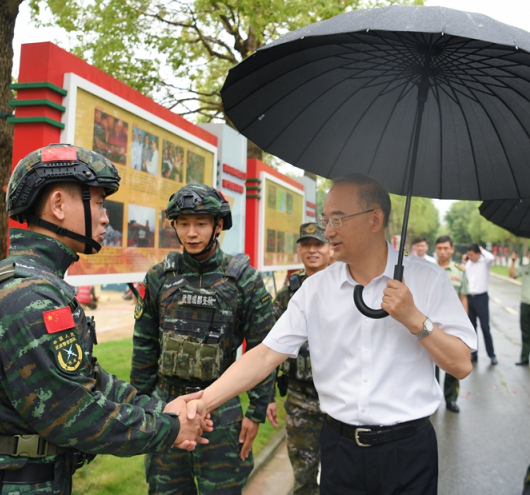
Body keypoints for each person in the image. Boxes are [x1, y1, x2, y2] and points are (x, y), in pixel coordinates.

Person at [185, 173, 476, 495]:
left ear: (374, 219)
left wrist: (415, 319)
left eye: (338, 219)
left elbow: (461, 364)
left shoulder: (428, 279)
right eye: (326, 219)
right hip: (340, 450)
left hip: (407, 452)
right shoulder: (316, 289)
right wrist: (202, 403)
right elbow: (266, 354)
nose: (328, 231)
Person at [0, 144, 212, 495]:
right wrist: (169, 428)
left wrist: (162, 408)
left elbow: (89, 379)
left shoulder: (37, 285)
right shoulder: (30, 298)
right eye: (99, 203)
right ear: (58, 205)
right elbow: (73, 414)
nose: (106, 218)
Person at [131, 184, 275, 494]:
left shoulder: (244, 280)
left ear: (218, 225)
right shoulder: (159, 277)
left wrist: (256, 411)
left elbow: (264, 349)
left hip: (221, 411)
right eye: (183, 223)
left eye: (200, 223)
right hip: (167, 408)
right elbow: (144, 347)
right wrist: (141, 407)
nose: (191, 233)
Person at [266, 222, 330, 495]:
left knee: (342, 476)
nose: (312, 250)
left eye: (319, 244)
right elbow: (268, 347)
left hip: (339, 399)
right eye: (307, 244)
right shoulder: (286, 295)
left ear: (331, 249)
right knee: (303, 477)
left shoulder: (347, 289)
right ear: (300, 249)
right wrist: (267, 396)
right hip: (299, 399)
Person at [434, 235, 469, 413]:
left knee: (452, 363)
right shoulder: (428, 269)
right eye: (439, 248)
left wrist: (464, 325)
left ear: (452, 250)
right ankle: (431, 399)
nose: (442, 252)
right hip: (431, 324)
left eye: (446, 248)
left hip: (452, 325)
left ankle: (451, 399)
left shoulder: (459, 271)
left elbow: (463, 297)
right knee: (431, 362)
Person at [463, 243, 497, 365]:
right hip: (469, 298)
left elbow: (491, 257)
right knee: (472, 328)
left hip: (481, 298)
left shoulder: (485, 262)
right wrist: (465, 261)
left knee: (485, 327)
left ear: (478, 254)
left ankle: (491, 355)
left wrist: (481, 249)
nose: (470, 257)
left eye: (472, 255)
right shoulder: (468, 263)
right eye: (468, 255)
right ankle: (473, 355)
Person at [508, 251, 530, 366]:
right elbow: (512, 274)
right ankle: (525, 357)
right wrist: (513, 261)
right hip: (526, 304)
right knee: (525, 332)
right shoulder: (525, 268)